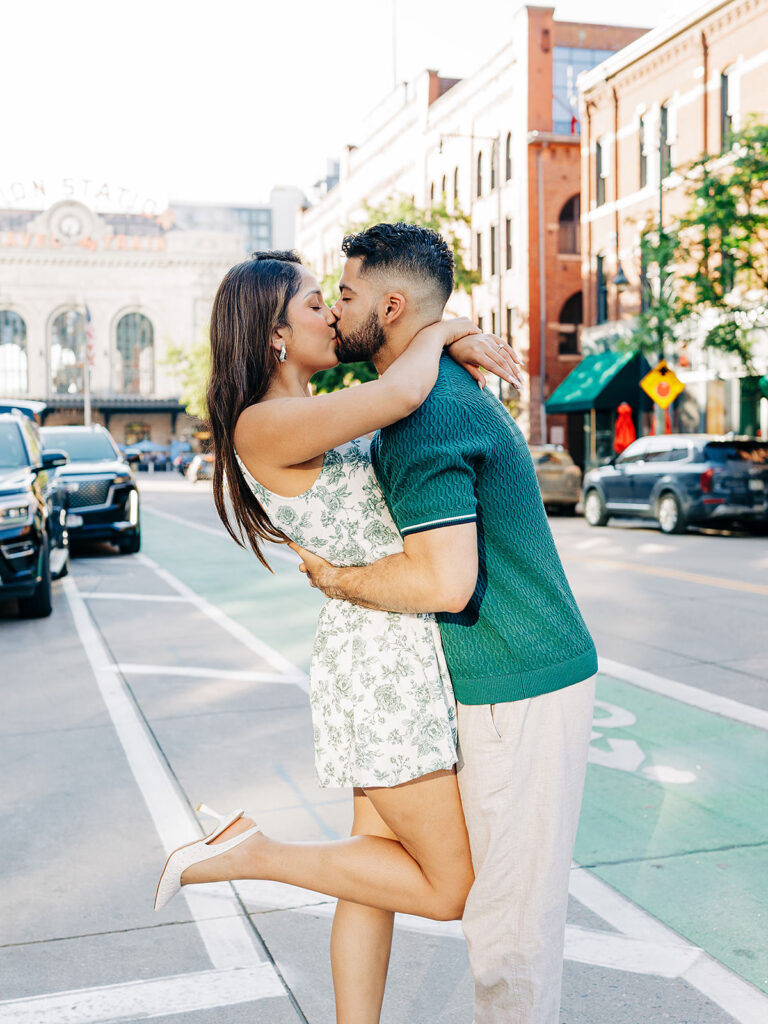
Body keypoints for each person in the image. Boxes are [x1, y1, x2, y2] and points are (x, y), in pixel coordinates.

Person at [153, 245, 523, 1024]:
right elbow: (402, 391)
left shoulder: (301, 412)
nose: (332, 311)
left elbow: (396, 389)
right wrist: (446, 327)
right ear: (275, 336)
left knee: (372, 872)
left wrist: (442, 334)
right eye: (316, 301)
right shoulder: (266, 423)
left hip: (382, 650)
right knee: (449, 885)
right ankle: (251, 853)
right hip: (383, 664)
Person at [292, 222, 598, 1024]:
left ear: (392, 307)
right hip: (493, 681)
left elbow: (445, 578)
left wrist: (338, 581)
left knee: (510, 937)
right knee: (496, 916)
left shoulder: (426, 417)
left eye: (348, 295)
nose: (335, 311)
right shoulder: (423, 396)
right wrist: (453, 333)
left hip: (515, 687)